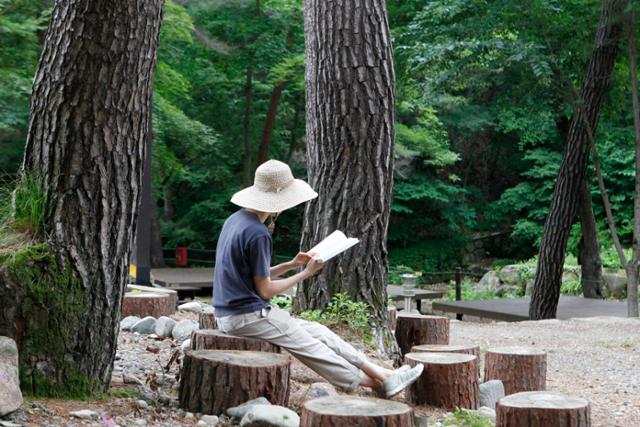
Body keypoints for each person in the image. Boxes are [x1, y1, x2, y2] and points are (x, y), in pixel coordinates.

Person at [212, 159, 423, 397]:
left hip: (233, 313)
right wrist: (305, 273)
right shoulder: (258, 233)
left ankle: (383, 373)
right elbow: (266, 291)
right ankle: (379, 384)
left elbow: (248, 276)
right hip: (246, 316)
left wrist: (291, 265)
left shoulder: (235, 221)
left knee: (318, 331)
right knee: (311, 347)